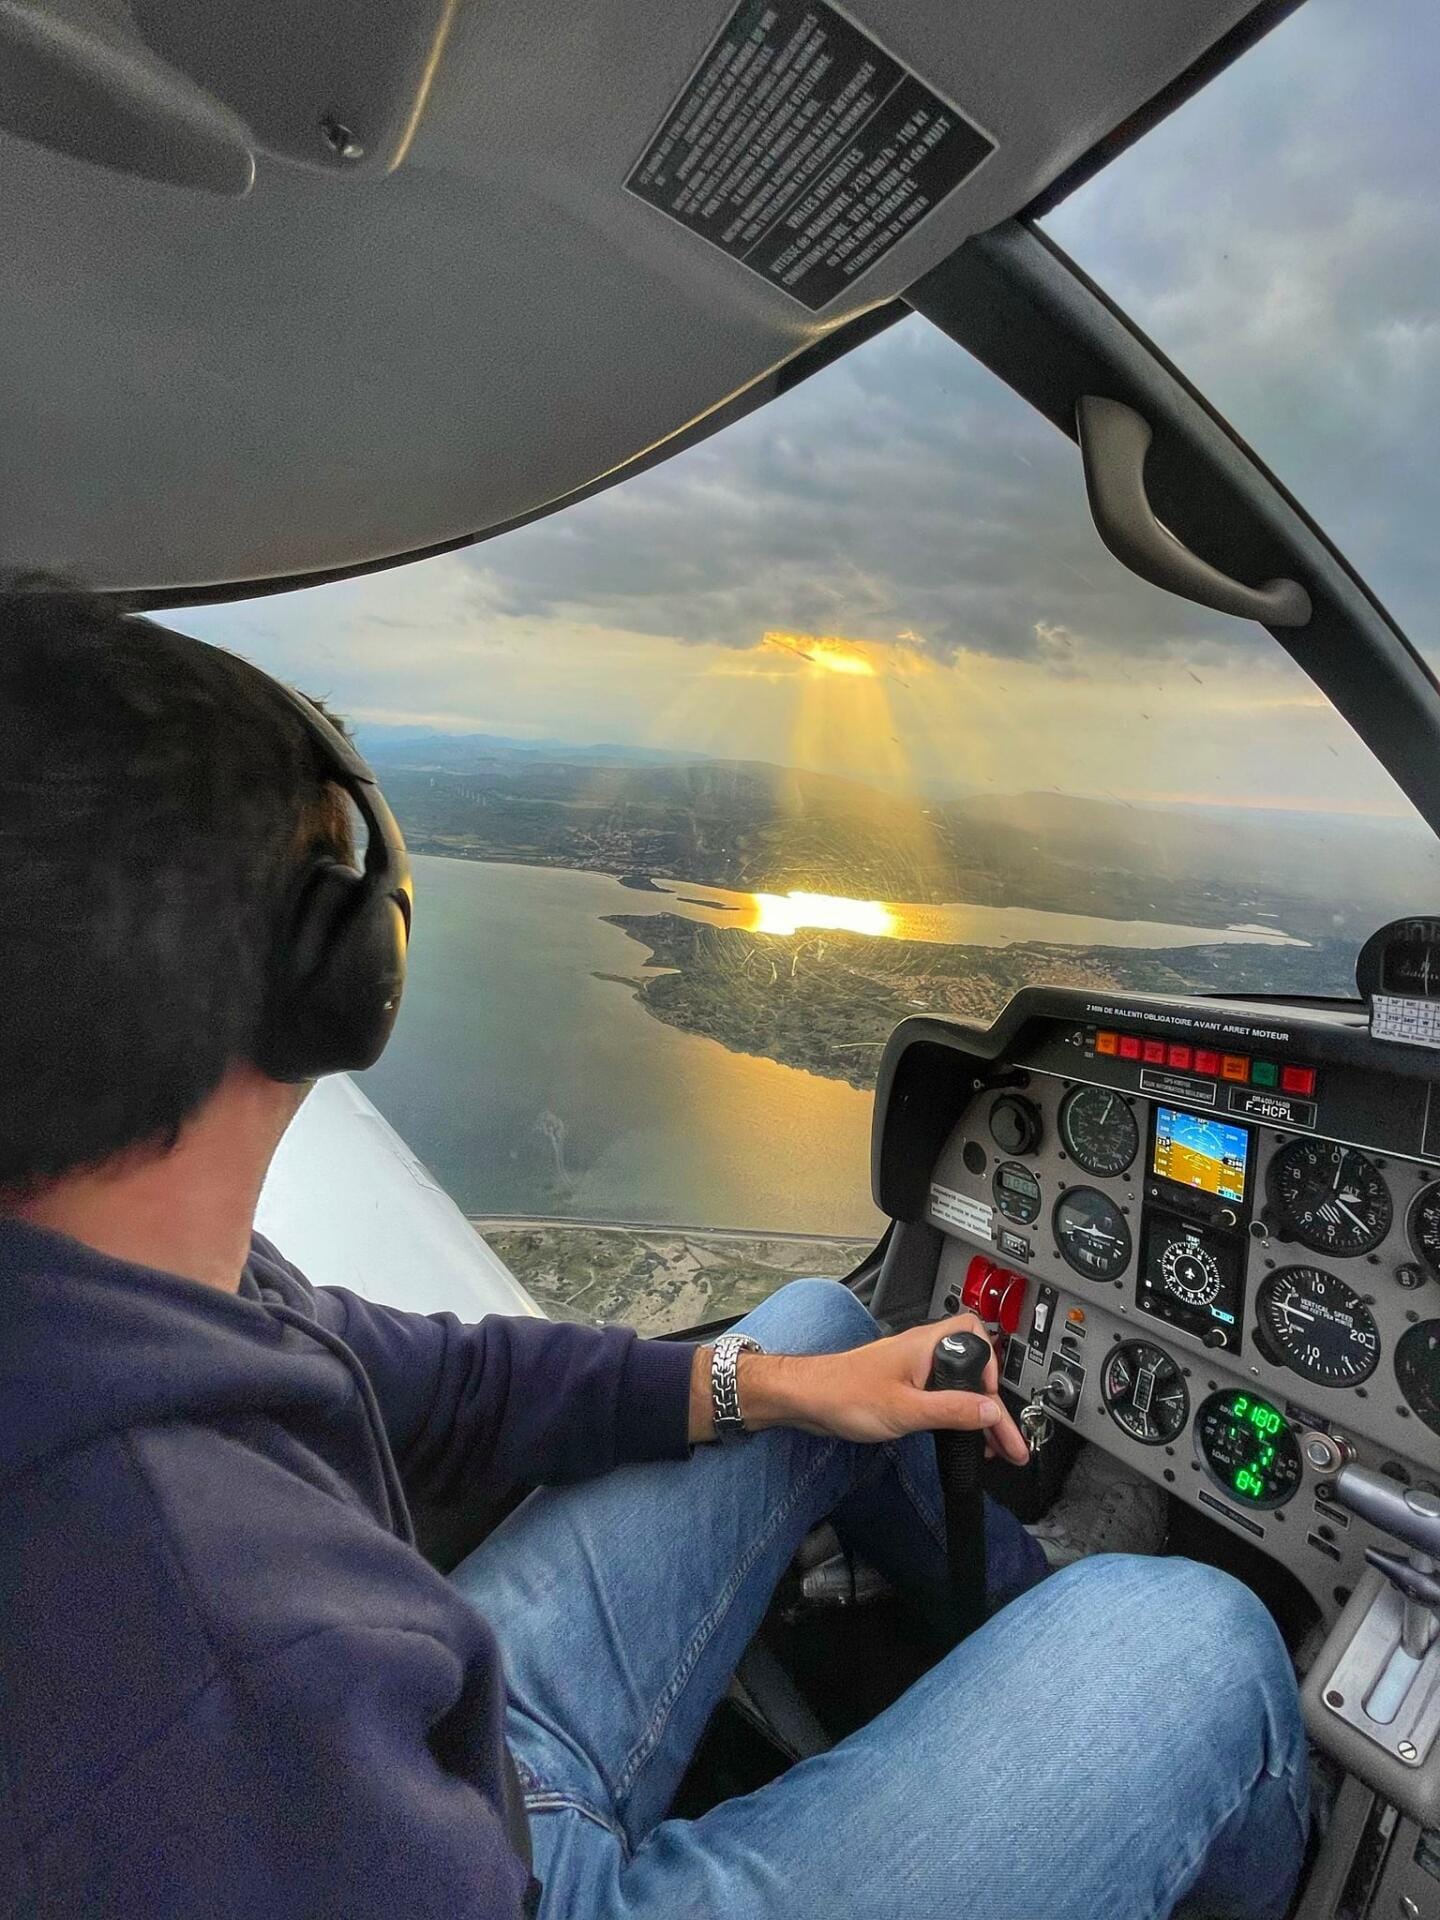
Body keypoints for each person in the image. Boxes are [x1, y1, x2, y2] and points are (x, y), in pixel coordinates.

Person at [0, 581, 1309, 1920]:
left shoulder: (132, 1273)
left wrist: (772, 1389)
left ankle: (1021, 1595)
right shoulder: (193, 1641)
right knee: (1193, 1642)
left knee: (811, 1330)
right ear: (335, 975)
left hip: (436, 1755)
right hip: (470, 1862)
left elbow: (443, 1388)